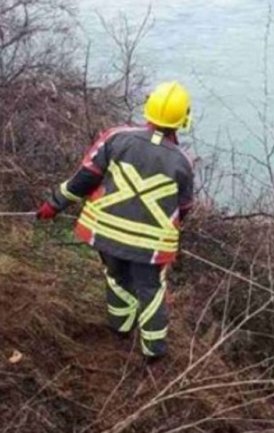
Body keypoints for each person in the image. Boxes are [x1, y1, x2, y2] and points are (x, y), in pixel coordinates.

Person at [35, 81, 194, 361]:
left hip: (104, 234)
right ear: (182, 121)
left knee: (116, 277)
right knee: (150, 290)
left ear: (148, 110)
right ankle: (154, 353)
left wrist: (54, 204)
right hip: (151, 246)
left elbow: (84, 178)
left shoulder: (116, 137)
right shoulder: (181, 161)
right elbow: (184, 207)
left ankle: (120, 329)